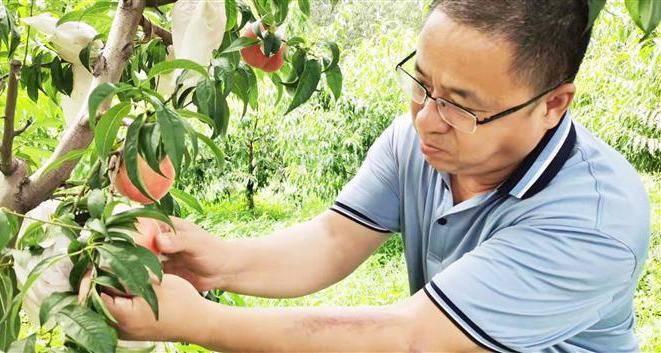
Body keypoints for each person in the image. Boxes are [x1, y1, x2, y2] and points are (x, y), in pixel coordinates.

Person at [95, 0, 651, 351]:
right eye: (422, 81)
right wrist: (215, 261)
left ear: (553, 104)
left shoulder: (593, 221)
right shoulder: (423, 138)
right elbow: (333, 239)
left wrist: (199, 324)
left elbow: (411, 338)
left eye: (462, 105)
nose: (427, 119)